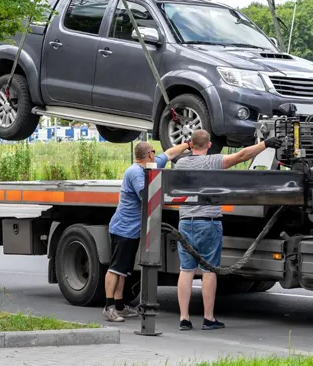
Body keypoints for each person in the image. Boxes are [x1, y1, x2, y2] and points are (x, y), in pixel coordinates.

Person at [174, 129, 283, 331]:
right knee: (209, 271)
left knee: (186, 270)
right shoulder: (213, 161)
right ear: (209, 145)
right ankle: (208, 318)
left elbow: (172, 156)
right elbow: (242, 155)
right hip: (208, 222)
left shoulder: (181, 163)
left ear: (191, 144)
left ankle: (184, 318)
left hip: (185, 221)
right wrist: (266, 144)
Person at [103, 139, 191, 323]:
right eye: (154, 151)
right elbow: (147, 196)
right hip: (124, 229)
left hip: (133, 230)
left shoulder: (148, 166)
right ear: (149, 154)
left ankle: (120, 306)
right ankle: (109, 307)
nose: (156, 154)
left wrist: (187, 145)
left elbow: (169, 154)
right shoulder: (136, 173)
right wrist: (175, 197)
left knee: (124, 271)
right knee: (116, 269)